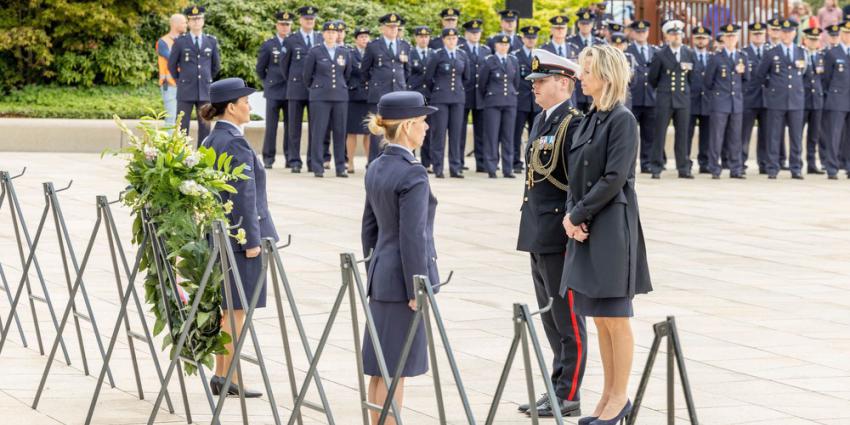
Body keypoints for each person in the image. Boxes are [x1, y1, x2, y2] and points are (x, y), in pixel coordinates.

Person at [564, 44, 652, 425]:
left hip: (611, 227)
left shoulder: (622, 119)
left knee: (615, 316)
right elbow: (575, 175)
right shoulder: (590, 118)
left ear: (605, 76)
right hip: (586, 225)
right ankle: (606, 396)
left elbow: (614, 177)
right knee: (598, 317)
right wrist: (572, 217)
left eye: (586, 71)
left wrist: (579, 213)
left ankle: (620, 397)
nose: (580, 77)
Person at [361, 91, 439, 425]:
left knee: (381, 367)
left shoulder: (376, 166)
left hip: (381, 274)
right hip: (403, 280)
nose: (426, 128)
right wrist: (415, 288)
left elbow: (369, 230)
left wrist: (375, 269)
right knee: (396, 370)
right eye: (422, 122)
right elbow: (413, 238)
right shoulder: (413, 173)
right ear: (407, 127)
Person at [515, 48, 586, 419]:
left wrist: (574, 219)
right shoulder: (544, 120)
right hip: (537, 228)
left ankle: (569, 393)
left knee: (567, 317)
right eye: (535, 82)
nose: (535, 88)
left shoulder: (572, 123)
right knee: (549, 316)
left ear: (564, 83)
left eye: (541, 82)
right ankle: (557, 386)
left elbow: (577, 180)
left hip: (558, 230)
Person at [200, 77, 279, 398]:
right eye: (245, 102)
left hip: (220, 237)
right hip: (238, 240)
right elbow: (244, 195)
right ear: (231, 108)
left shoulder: (210, 140)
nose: (249, 106)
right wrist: (251, 241)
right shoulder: (234, 142)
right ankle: (231, 377)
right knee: (236, 313)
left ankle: (222, 375)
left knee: (227, 310)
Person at [753, 19, 806, 179]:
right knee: (774, 135)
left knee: (796, 137)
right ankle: (772, 167)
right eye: (784, 32)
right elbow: (760, 75)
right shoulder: (772, 52)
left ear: (795, 33)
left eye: (790, 32)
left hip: (796, 99)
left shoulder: (800, 51)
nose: (787, 35)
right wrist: (773, 88)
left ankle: (796, 168)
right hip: (777, 100)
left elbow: (803, 73)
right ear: (780, 33)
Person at [303, 21, 352, 178]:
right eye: (328, 32)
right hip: (320, 97)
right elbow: (307, 76)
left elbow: (347, 74)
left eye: (334, 32)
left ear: (338, 34)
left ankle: (340, 167)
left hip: (340, 97)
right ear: (323, 34)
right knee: (318, 132)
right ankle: (318, 166)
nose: (331, 35)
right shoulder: (315, 51)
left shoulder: (344, 52)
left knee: (340, 132)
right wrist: (317, 88)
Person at [648, 20, 696, 179]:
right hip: (665, 98)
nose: (676, 37)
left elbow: (692, 78)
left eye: (678, 34)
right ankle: (656, 166)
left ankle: (683, 167)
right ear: (667, 36)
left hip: (682, 98)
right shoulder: (660, 54)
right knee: (660, 133)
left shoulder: (688, 53)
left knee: (683, 134)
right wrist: (663, 91)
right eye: (673, 34)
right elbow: (653, 78)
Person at [168, 5, 221, 146]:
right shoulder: (180, 41)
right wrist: (180, 81)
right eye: (193, 19)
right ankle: (181, 156)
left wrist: (207, 79)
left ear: (203, 21)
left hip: (204, 90)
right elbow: (171, 65)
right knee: (182, 126)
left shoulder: (211, 41)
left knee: (205, 126)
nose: (196, 22)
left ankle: (202, 157)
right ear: (189, 22)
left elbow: (216, 66)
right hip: (185, 90)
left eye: (199, 19)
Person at [362, 13, 411, 163]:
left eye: (396, 27)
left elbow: (407, 70)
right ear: (383, 28)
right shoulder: (373, 46)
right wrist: (376, 83)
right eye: (390, 27)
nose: (393, 30)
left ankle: (396, 162)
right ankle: (374, 163)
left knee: (398, 130)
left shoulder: (405, 45)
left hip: (398, 93)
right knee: (378, 130)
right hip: (379, 94)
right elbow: (365, 70)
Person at [424, 28, 470, 178]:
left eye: (454, 38)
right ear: (443, 40)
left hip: (457, 98)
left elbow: (466, 77)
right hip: (440, 98)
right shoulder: (437, 55)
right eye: (449, 39)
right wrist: (438, 90)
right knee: (439, 134)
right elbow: (428, 78)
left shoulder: (462, 55)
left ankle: (455, 167)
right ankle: (438, 167)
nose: (452, 41)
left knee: (456, 134)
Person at [704, 24, 748, 179]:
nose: (731, 39)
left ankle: (736, 168)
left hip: (736, 103)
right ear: (723, 38)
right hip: (720, 102)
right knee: (717, 137)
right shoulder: (716, 58)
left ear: (737, 38)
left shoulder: (742, 57)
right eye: (728, 36)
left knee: (736, 137)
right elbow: (708, 82)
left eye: (733, 36)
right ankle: (715, 168)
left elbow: (746, 80)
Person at [280, 5, 321, 173]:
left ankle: (312, 161)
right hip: (296, 88)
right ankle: (294, 160)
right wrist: (292, 81)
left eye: (312, 19)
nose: (309, 21)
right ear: (300, 20)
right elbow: (284, 66)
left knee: (314, 127)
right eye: (306, 19)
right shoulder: (291, 39)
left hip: (315, 89)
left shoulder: (320, 38)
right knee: (294, 127)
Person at [478, 35, 519, 179]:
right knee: (492, 136)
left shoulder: (513, 60)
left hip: (510, 102)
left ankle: (508, 169)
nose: (503, 47)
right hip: (493, 102)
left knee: (508, 136)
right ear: (495, 45)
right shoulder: (489, 61)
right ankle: (491, 168)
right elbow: (482, 83)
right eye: (501, 44)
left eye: (506, 45)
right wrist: (489, 96)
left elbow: (516, 82)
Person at [256, 11, 293, 169]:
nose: (285, 27)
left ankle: (290, 157)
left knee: (290, 127)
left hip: (290, 90)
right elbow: (260, 68)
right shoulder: (269, 44)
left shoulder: (294, 42)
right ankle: (268, 158)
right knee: (271, 127)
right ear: (277, 25)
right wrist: (267, 82)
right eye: (282, 24)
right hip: (273, 90)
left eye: (287, 25)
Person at [624, 20, 656, 173]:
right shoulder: (628, 50)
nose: (641, 34)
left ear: (648, 32)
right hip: (633, 98)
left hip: (650, 97)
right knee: (630, 134)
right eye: (638, 32)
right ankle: (630, 163)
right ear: (633, 33)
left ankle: (647, 162)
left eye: (644, 32)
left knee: (649, 134)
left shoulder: (655, 50)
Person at [820, 20, 850, 179]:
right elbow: (826, 78)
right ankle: (832, 167)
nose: (848, 36)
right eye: (845, 33)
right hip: (837, 99)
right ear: (841, 34)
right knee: (834, 135)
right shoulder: (832, 53)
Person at [460, 19, 490, 173]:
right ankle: (458, 162)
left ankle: (481, 163)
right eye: (472, 33)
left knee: (481, 131)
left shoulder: (486, 50)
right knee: (460, 130)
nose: (475, 35)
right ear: (466, 34)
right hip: (464, 94)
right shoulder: (460, 49)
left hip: (481, 96)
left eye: (477, 32)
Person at [512, 26, 542, 175]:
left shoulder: (540, 55)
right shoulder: (515, 55)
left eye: (533, 38)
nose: (531, 40)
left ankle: (533, 161)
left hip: (536, 101)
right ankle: (516, 162)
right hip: (520, 100)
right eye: (528, 38)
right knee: (516, 133)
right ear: (523, 39)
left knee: (535, 134)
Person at [742, 22, 770, 174]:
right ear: (750, 35)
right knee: (744, 134)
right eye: (755, 34)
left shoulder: (771, 52)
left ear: (765, 35)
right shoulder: (744, 53)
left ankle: (764, 164)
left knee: (766, 134)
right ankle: (740, 163)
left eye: (760, 34)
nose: (758, 36)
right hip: (749, 99)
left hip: (767, 99)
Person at [346, 26, 372, 173]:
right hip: (354, 96)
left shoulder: (373, 53)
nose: (364, 39)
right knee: (352, 132)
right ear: (356, 39)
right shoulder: (350, 54)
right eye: (361, 37)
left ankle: (370, 162)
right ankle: (350, 162)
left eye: (366, 37)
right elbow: (347, 73)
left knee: (369, 132)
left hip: (368, 96)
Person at [569, 11, 606, 113]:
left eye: (588, 23)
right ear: (578, 24)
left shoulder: (600, 43)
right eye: (583, 23)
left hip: (595, 88)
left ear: (592, 24)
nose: (585, 26)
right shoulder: (570, 42)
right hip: (576, 88)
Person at [156, 13, 187, 131]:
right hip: (169, 85)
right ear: (175, 24)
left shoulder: (184, 40)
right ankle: (170, 148)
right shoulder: (163, 42)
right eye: (184, 22)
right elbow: (174, 60)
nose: (186, 25)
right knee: (171, 118)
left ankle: (178, 147)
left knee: (181, 119)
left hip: (183, 84)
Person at [802, 27, 826, 175]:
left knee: (814, 135)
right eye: (811, 39)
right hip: (802, 100)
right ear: (805, 40)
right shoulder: (800, 54)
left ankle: (811, 163)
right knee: (797, 133)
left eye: (816, 39)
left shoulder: (821, 56)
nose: (813, 42)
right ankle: (796, 163)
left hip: (817, 100)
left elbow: (824, 79)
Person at [689, 25, 713, 174]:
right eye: (698, 37)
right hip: (691, 100)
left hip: (708, 102)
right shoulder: (688, 55)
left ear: (709, 40)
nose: (701, 40)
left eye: (703, 38)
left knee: (707, 134)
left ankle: (705, 163)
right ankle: (686, 162)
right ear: (693, 39)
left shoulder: (713, 57)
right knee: (687, 134)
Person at [409, 26, 433, 171]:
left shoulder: (434, 54)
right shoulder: (410, 53)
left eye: (426, 36)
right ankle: (410, 157)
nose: (424, 39)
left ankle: (427, 162)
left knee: (427, 130)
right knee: (411, 128)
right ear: (416, 38)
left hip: (429, 96)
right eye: (421, 36)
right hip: (413, 94)